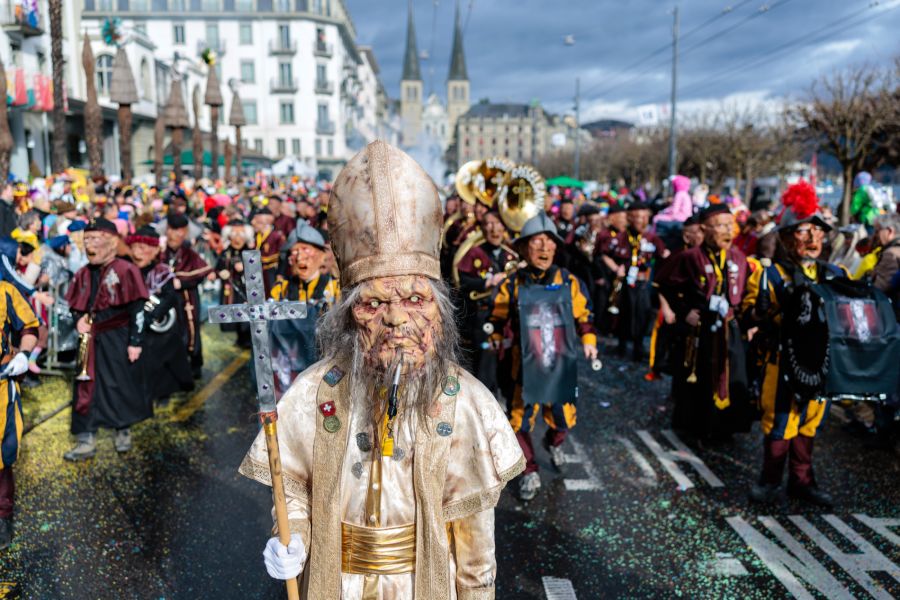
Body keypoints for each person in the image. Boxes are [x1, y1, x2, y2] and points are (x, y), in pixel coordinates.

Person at [240, 141, 524, 598]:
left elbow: (476, 549)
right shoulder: (315, 391)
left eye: (414, 299)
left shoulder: (468, 402)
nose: (395, 318)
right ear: (348, 317)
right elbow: (292, 488)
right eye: (373, 304)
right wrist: (292, 536)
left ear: (440, 313)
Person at [741, 182, 843, 507]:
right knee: (780, 420)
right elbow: (748, 315)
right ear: (786, 239)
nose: (813, 238)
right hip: (781, 361)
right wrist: (763, 312)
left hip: (820, 364)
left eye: (818, 231)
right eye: (803, 231)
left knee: (810, 420)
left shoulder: (834, 274)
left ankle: (802, 482)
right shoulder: (769, 275)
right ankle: (770, 481)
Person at [489, 212, 597, 501]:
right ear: (524, 248)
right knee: (519, 422)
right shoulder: (512, 283)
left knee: (564, 419)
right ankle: (529, 471)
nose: (544, 248)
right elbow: (496, 317)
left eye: (549, 242)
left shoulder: (568, 281)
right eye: (536, 242)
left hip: (560, 365)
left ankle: (554, 441)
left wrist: (589, 341)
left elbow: (584, 315)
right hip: (523, 367)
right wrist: (495, 337)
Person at [658, 205, 753, 439]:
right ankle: (700, 429)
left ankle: (726, 428)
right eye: (720, 225)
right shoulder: (690, 257)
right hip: (701, 328)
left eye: (730, 225)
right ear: (704, 229)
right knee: (702, 377)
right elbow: (666, 284)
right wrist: (684, 311)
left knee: (733, 376)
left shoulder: (739, 258)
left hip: (730, 328)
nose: (727, 230)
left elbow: (749, 292)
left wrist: (750, 321)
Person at [63, 219, 150, 461]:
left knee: (119, 383)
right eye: (87, 239)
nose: (89, 244)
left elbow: (138, 308)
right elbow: (76, 306)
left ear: (110, 242)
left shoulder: (126, 269)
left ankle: (123, 430)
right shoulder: (83, 272)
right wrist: (78, 320)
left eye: (95, 238)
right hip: (90, 339)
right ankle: (86, 438)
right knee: (85, 386)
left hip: (117, 337)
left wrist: (135, 341)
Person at [268, 223, 340, 396]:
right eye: (294, 252)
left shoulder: (336, 289)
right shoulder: (281, 290)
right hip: (290, 369)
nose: (300, 257)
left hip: (325, 367)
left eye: (306, 249)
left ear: (322, 256)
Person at [127, 225, 194, 406]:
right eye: (135, 248)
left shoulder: (162, 270)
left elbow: (170, 296)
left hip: (159, 322)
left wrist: (153, 314)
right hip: (136, 323)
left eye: (143, 248)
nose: (138, 253)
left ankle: (163, 393)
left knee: (163, 357)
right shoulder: (128, 269)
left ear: (154, 250)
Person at [599, 202, 667, 360]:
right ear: (629, 218)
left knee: (643, 314)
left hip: (643, 283)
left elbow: (664, 256)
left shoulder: (652, 238)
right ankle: (621, 346)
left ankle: (638, 346)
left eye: (645, 217)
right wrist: (616, 268)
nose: (642, 221)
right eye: (638, 217)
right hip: (625, 283)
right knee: (624, 313)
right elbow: (605, 254)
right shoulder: (621, 237)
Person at [0, 279, 39, 548]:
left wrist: (24, 354)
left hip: (1, 386)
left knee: (2, 456)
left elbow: (29, 326)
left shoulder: (5, 290)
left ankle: (2, 517)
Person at [162, 213, 210, 379]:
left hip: (188, 298)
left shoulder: (189, 253)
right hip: (168, 300)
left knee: (191, 330)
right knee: (171, 330)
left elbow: (201, 273)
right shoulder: (162, 252)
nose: (175, 235)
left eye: (179, 231)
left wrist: (182, 282)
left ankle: (195, 364)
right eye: (172, 230)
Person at [215, 221, 253, 348]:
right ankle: (240, 337)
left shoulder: (250, 252)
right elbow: (218, 268)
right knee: (235, 312)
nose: (237, 239)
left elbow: (258, 270)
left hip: (246, 289)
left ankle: (247, 338)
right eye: (234, 235)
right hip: (231, 288)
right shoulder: (226, 252)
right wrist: (221, 272)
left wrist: (245, 267)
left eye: (241, 235)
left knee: (247, 313)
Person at [250, 206, 284, 295]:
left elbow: (282, 256)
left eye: (258, 222)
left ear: (266, 223)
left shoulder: (276, 237)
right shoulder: (256, 237)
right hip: (259, 273)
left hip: (272, 272)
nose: (253, 223)